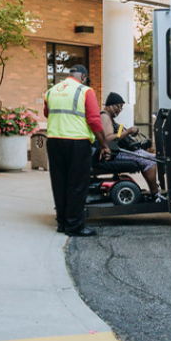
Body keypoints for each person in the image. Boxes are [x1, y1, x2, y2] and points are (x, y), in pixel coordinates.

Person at [43, 65, 111, 237]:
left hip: (54, 141)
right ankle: (74, 227)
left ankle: (62, 223)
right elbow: (95, 121)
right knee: (77, 185)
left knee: (59, 184)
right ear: (83, 77)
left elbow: (47, 113)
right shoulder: (85, 91)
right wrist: (104, 144)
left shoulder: (51, 91)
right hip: (77, 142)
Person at [100, 92, 164, 202]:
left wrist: (127, 132)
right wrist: (128, 131)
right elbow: (108, 138)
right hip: (113, 154)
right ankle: (155, 194)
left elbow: (117, 133)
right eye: (119, 107)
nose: (120, 110)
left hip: (116, 151)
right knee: (150, 160)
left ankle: (156, 190)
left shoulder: (108, 117)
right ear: (112, 105)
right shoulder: (105, 116)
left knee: (150, 156)